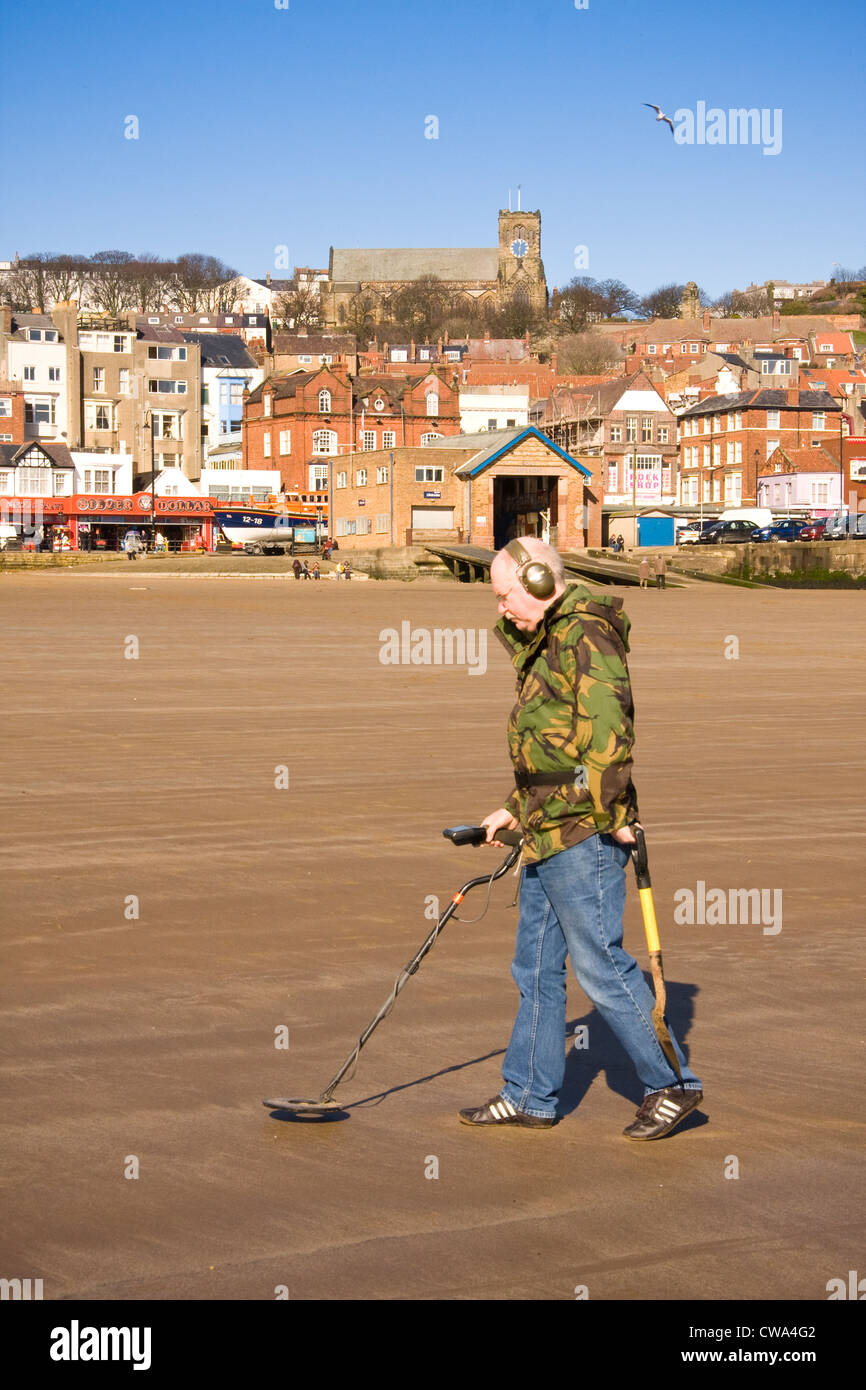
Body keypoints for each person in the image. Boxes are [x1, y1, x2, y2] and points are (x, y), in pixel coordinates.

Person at [460, 536, 702, 1138]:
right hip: (549, 824)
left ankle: (673, 1084)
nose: (501, 609)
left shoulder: (584, 632)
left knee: (599, 965)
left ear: (540, 581)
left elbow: (609, 734)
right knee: (535, 965)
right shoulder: (549, 635)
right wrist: (515, 808)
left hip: (584, 830)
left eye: (504, 594)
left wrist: (614, 812)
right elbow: (557, 747)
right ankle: (529, 1094)